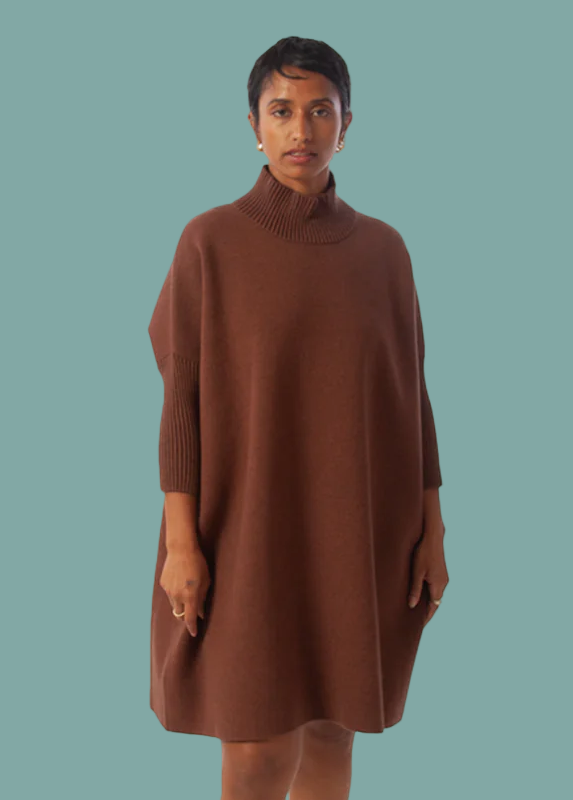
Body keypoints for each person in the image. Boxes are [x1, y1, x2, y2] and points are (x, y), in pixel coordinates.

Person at [147, 36, 448, 800]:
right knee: (253, 747)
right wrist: (181, 542)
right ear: (253, 124)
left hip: (359, 531)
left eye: (320, 111)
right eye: (281, 111)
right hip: (245, 529)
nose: (300, 130)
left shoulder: (383, 252)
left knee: (331, 729)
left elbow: (410, 397)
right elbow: (181, 400)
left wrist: (432, 528)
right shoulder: (210, 242)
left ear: (346, 125)